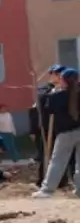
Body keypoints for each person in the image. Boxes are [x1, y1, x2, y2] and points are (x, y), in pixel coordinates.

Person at [34, 67, 80, 198]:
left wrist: (55, 89)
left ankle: (47, 191)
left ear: (63, 81)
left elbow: (47, 108)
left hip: (65, 133)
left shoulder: (56, 96)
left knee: (57, 162)